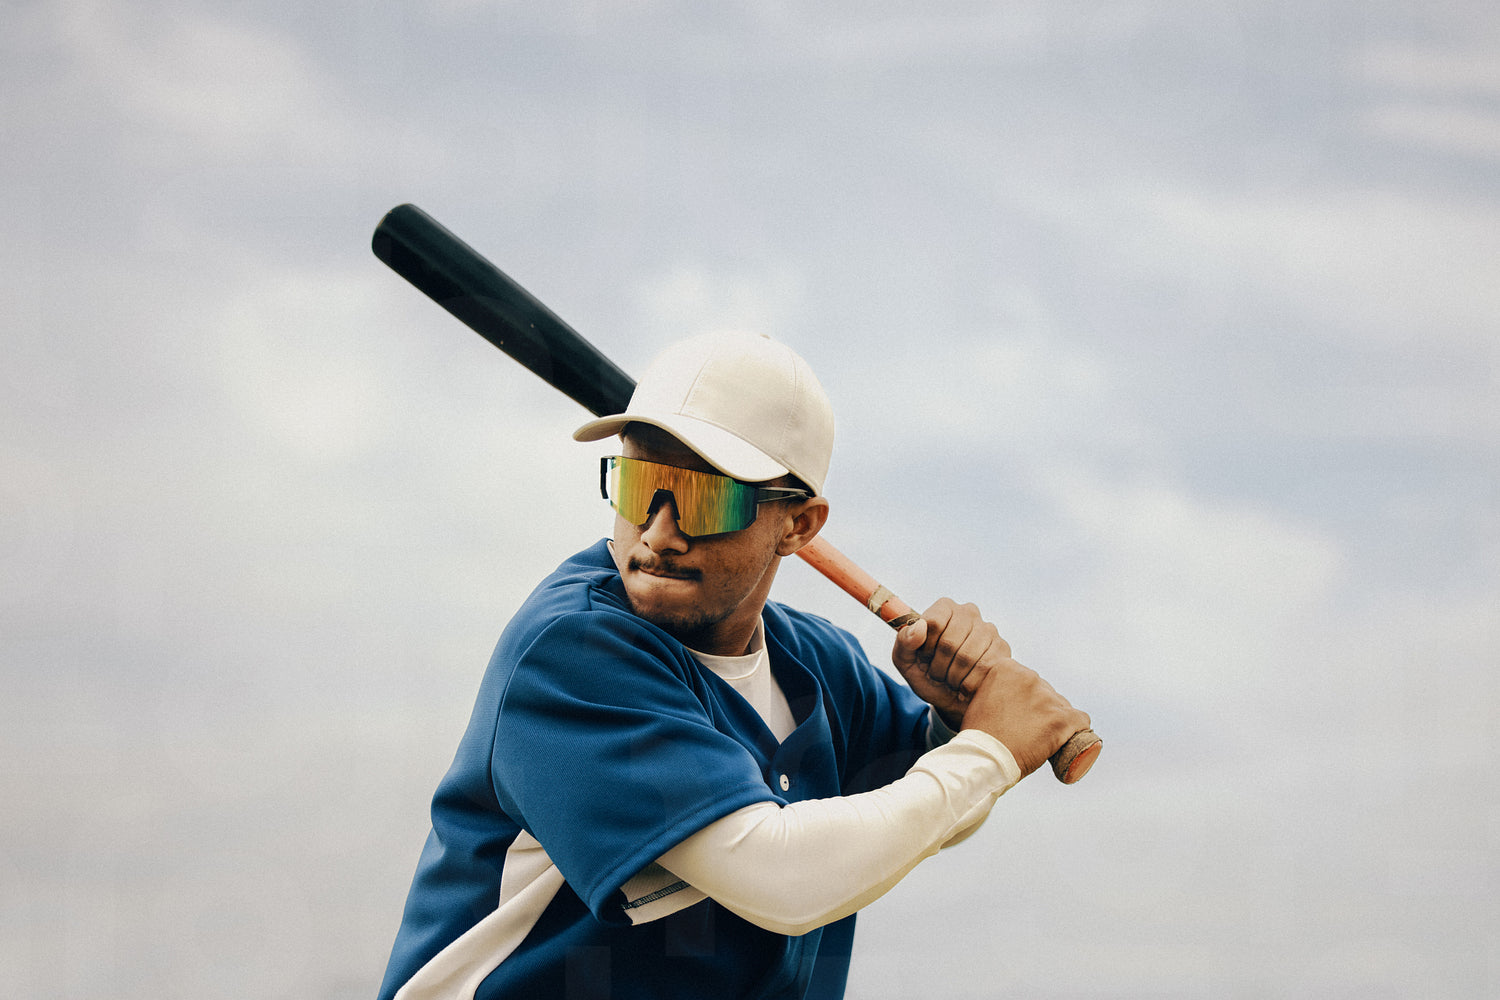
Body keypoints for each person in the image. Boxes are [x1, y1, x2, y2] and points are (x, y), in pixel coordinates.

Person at [376, 332, 1089, 1000]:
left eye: (702, 498)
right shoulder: (573, 652)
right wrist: (992, 749)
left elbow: (931, 814)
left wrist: (956, 725)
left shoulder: (818, 663)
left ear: (799, 524)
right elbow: (783, 879)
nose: (658, 534)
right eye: (638, 487)